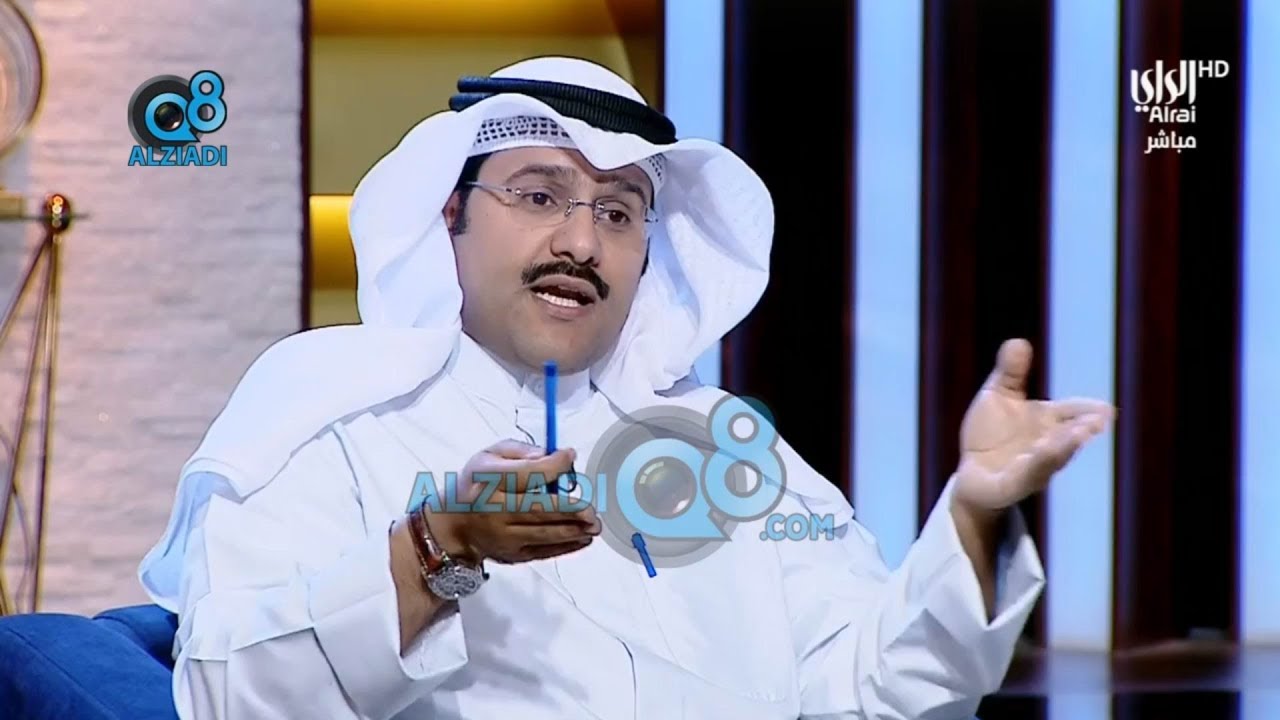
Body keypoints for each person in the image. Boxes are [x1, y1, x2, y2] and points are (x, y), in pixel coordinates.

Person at [137, 56, 1113, 719]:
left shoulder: (720, 443)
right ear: (448, 215)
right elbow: (228, 695)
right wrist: (438, 547)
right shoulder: (330, 404)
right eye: (538, 195)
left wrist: (973, 516)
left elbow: (875, 688)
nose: (580, 241)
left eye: (617, 212)